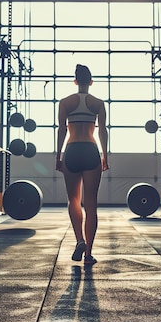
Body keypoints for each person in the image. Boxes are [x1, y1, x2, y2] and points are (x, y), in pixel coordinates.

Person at [56, 64, 109, 266]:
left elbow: (61, 130)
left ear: (75, 81)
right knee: (91, 204)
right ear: (91, 81)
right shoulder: (98, 103)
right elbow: (102, 131)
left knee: (74, 200)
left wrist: (58, 157)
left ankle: (79, 240)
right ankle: (88, 254)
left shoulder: (65, 102)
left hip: (72, 150)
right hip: (90, 150)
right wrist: (105, 155)